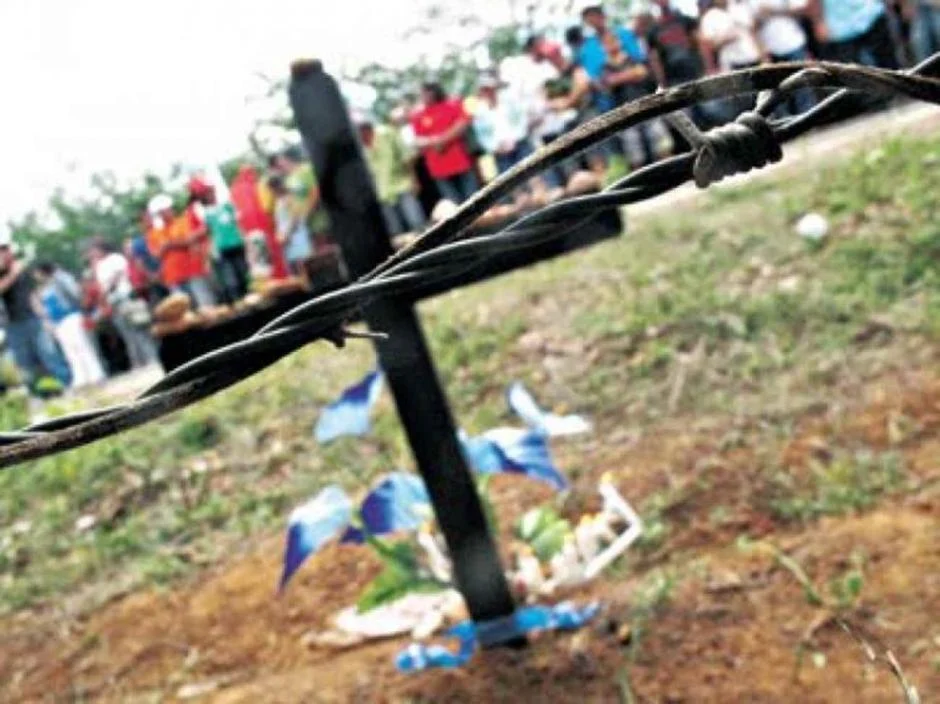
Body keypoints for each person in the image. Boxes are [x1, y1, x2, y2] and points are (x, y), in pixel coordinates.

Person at [0, 232, 71, 390]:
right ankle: (38, 393)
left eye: (5, 250)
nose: (4, 254)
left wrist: (45, 318)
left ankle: (65, 386)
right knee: (24, 362)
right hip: (12, 324)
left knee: (49, 353)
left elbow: (32, 295)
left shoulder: (22, 270)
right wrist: (13, 273)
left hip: (32, 318)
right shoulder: (11, 272)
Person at [600, 30, 674, 168]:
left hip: (646, 105)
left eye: (613, 41)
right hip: (625, 113)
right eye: (606, 43)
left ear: (619, 42)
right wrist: (631, 74)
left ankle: (671, 170)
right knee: (633, 148)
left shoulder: (632, 59)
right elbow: (608, 83)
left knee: (661, 139)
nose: (611, 45)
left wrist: (620, 78)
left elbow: (643, 72)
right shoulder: (605, 67)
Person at [88, 238, 158, 369]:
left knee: (138, 328)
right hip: (112, 302)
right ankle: (138, 361)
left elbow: (120, 273)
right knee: (126, 333)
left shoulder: (116, 258)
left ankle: (151, 356)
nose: (93, 254)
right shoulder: (98, 266)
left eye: (94, 250)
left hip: (125, 296)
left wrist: (110, 286)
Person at [355, 111, 427, 236]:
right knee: (395, 232)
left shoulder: (387, 134)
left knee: (417, 223)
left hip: (402, 185)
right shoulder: (359, 147)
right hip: (382, 194)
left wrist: (414, 180)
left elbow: (406, 157)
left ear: (365, 129)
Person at [34, 262, 105, 388]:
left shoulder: (60, 279)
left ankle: (96, 374)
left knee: (82, 346)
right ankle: (81, 378)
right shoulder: (45, 287)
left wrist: (82, 311)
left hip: (71, 316)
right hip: (58, 322)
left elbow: (75, 294)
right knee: (70, 351)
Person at [411, 81, 480, 205]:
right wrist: (435, 141)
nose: (422, 96)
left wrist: (441, 140)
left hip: (461, 162)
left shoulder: (453, 103)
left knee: (474, 200)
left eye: (424, 93)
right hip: (438, 168)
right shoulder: (418, 115)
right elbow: (417, 140)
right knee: (454, 206)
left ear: (433, 92)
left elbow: (463, 123)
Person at [749, 0, 817, 114]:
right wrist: (762, 55)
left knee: (803, 84)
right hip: (771, 49)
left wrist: (775, 11)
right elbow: (752, 28)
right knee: (776, 91)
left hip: (793, 43)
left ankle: (811, 118)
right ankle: (787, 125)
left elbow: (801, 10)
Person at [194, 184, 251, 303]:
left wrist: (246, 240)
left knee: (244, 273)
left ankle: (250, 297)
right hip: (222, 249)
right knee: (230, 279)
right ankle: (238, 302)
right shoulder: (205, 213)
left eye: (211, 192)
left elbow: (238, 224)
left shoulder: (227, 206)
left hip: (237, 244)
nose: (210, 195)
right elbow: (207, 232)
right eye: (207, 193)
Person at [231, 164, 289, 280]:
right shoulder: (257, 186)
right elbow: (267, 207)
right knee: (274, 255)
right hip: (264, 226)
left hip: (250, 232)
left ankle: (270, 282)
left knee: (262, 262)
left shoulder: (234, 191)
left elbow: (237, 215)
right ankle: (281, 278)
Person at [808, 0, 899, 68]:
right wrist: (818, 22)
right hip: (841, 28)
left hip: (872, 15)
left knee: (889, 64)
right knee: (853, 75)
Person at [269, 175, 313, 276]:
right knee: (296, 270)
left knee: (303, 267)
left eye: (271, 189)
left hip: (296, 237)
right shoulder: (279, 201)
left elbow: (295, 218)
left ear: (276, 187)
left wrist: (287, 235)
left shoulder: (289, 198)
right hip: (287, 240)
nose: (271, 193)